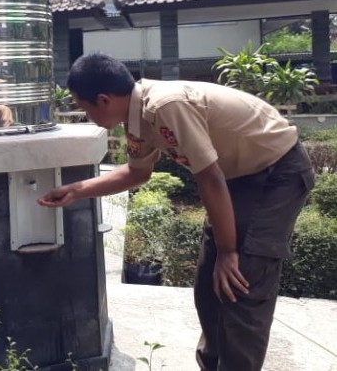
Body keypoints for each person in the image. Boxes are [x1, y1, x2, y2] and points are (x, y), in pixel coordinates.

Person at [38, 53, 314, 371]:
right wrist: (77, 190)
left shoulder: (164, 105)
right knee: (210, 286)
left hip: (278, 172)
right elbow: (136, 173)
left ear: (103, 100)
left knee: (242, 281)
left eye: (84, 107)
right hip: (237, 177)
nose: (86, 115)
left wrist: (228, 251)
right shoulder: (137, 120)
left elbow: (209, 178)